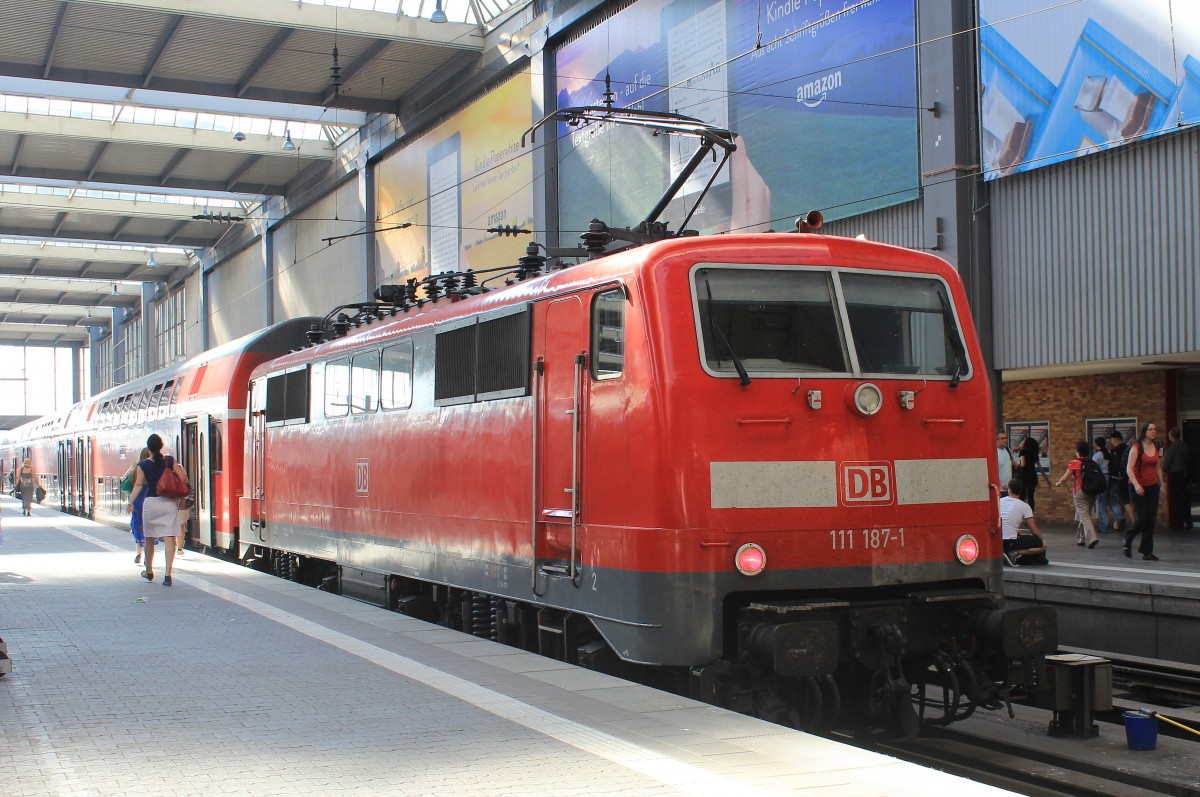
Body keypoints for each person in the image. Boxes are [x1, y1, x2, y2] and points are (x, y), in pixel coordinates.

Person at [127, 434, 189, 586]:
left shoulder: (143, 465)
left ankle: (148, 570)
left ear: (149, 448)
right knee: (170, 539)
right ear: (161, 446)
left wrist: (131, 502)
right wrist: (182, 496)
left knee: (149, 538)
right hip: (168, 502)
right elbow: (184, 479)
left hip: (150, 504)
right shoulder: (169, 461)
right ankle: (168, 575)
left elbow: (139, 485)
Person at [1125, 422, 1164, 561]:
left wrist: (1162, 484)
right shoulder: (1137, 447)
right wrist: (1136, 485)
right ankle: (1128, 539)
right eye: (1151, 429)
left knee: (1151, 521)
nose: (1154, 432)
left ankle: (1147, 552)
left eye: (1155, 429)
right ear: (1145, 431)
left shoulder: (1156, 446)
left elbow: (1157, 467)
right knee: (1142, 519)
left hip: (1152, 486)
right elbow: (1129, 469)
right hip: (1137, 487)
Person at [1055, 440, 1100, 548]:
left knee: (1084, 516)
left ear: (1077, 451)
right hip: (1092, 492)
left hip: (1080, 492)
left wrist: (1058, 483)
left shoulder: (1075, 463)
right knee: (1085, 515)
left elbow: (1065, 477)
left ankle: (1092, 537)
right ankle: (1081, 537)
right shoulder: (1093, 463)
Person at [999, 478, 1048, 566]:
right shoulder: (1024, 506)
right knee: (1043, 545)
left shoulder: (999, 501)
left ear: (1009, 489)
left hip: (998, 540)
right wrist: (1041, 539)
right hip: (1010, 542)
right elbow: (1034, 530)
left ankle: (1008, 552)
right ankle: (1015, 552)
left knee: (1020, 534)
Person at [125, 447, 152, 564]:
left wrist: (130, 502)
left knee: (137, 525)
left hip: (137, 500)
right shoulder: (154, 466)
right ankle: (147, 556)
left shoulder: (136, 466)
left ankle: (138, 553)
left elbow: (124, 479)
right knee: (148, 528)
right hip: (150, 499)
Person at [1162, 427, 1192, 530]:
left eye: (1169, 434)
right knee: (1185, 499)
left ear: (1172, 436)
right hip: (1185, 475)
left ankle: (1179, 523)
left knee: (1177, 500)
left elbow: (1165, 466)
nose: (1168, 436)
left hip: (1176, 475)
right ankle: (1188, 521)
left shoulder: (1171, 449)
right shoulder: (1185, 446)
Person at [1017, 436, 1052, 511]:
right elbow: (1040, 468)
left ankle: (1022, 513)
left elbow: (1023, 464)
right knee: (1031, 497)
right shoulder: (1034, 454)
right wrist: (1047, 480)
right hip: (1033, 477)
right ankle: (1031, 514)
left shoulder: (1023, 452)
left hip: (1024, 477)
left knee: (1021, 496)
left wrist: (1016, 465)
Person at [1107, 430, 1132, 532]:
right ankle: (1118, 523)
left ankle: (1134, 523)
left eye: (1111, 439)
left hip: (1120, 478)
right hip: (1128, 477)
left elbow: (1115, 465)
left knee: (1124, 501)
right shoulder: (1128, 448)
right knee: (1121, 501)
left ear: (1114, 439)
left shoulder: (1117, 451)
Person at [1091, 437, 1113, 533]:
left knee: (1101, 504)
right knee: (1104, 502)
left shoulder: (1097, 456)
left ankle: (1103, 526)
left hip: (1101, 479)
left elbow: (1093, 468)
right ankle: (1105, 523)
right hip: (1109, 478)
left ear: (1097, 445)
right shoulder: (1108, 453)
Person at [996, 431, 1015, 495]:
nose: (1005, 440)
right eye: (1002, 438)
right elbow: (990, 471)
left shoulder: (1006, 450)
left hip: (1009, 489)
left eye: (1006, 438)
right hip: (1000, 489)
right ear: (997, 440)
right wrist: (1000, 483)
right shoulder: (994, 453)